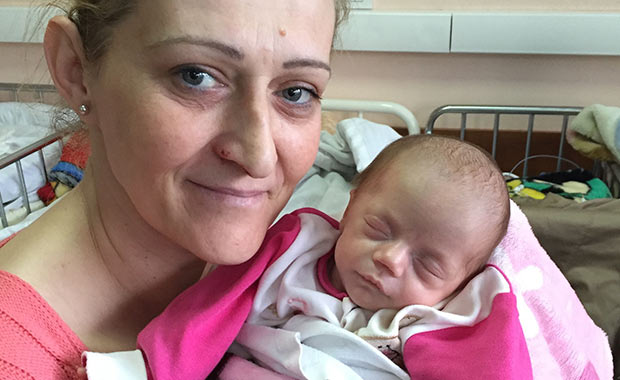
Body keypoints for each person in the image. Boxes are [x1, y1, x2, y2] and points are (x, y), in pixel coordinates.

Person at [0, 0, 349, 379]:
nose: (260, 157)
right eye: (195, 76)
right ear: (77, 72)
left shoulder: (296, 284)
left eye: (296, 93)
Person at [83, 135, 532, 380]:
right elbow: (212, 308)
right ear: (350, 209)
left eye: (428, 265)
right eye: (378, 229)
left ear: (457, 284)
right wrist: (146, 369)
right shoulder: (297, 249)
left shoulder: (449, 317)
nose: (391, 260)